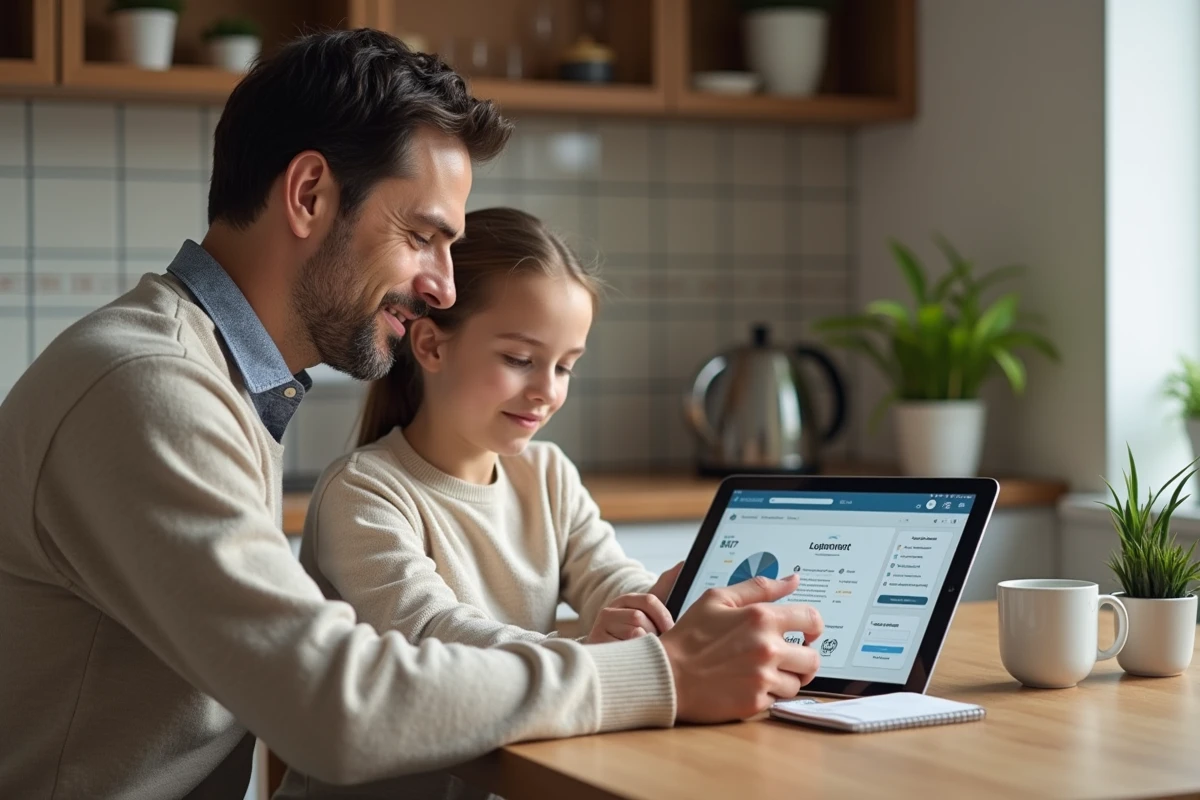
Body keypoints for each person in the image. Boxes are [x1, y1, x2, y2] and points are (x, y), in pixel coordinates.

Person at [0, 29, 823, 800]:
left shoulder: (215, 377)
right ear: (310, 194)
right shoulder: (151, 386)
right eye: (423, 236)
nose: (443, 286)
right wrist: (665, 674)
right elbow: (336, 703)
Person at [282, 206, 689, 797]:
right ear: (431, 345)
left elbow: (610, 580)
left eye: (566, 367)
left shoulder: (547, 475)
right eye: (520, 360)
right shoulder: (363, 491)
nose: (547, 391)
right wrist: (597, 662)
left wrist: (673, 605)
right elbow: (433, 632)